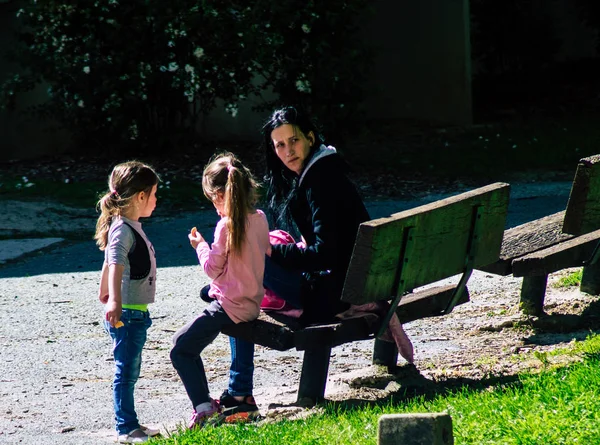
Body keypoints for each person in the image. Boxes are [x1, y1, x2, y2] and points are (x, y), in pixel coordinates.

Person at [221, 105, 372, 403]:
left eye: (294, 141)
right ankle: (224, 286)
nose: (288, 150)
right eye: (280, 145)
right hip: (354, 282)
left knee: (239, 270)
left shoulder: (319, 180)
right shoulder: (326, 168)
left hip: (333, 295)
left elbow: (325, 253)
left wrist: (275, 251)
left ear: (311, 138)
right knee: (236, 276)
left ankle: (239, 392)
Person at [170, 152, 270, 429]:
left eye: (213, 199)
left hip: (230, 305)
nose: (214, 206)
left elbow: (213, 268)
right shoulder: (260, 218)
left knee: (181, 348)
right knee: (211, 297)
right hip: (251, 301)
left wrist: (199, 245)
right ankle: (240, 393)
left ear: (219, 195)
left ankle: (204, 409)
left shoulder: (226, 226)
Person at [94, 160, 160, 444]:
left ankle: (131, 423)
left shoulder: (126, 226)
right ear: (140, 196)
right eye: (154, 194)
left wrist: (103, 291)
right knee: (126, 371)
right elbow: (116, 261)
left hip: (135, 313)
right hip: (128, 314)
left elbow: (110, 260)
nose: (156, 201)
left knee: (130, 370)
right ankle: (125, 428)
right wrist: (114, 301)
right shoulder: (123, 229)